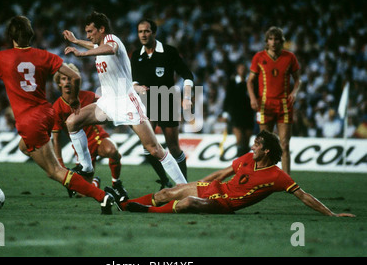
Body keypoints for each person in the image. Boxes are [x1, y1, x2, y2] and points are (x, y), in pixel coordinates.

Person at [0, 15, 116, 214]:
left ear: (10, 36)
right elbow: (75, 75)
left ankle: (102, 196)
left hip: (29, 121)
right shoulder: (43, 55)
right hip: (46, 113)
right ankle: (82, 180)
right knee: (24, 146)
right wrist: (74, 99)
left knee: (54, 171)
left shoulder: (1, 58)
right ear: (30, 35)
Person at [62, 12, 187, 200]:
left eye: (90, 31)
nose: (88, 35)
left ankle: (184, 187)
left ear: (102, 29)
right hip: (108, 102)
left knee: (154, 149)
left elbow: (109, 49)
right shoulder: (99, 43)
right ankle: (86, 168)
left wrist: (83, 53)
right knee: (72, 122)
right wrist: (77, 41)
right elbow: (95, 45)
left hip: (127, 102)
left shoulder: (113, 40)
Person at [111, 130, 355, 217]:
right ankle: (125, 205)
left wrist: (331, 213)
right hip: (217, 189)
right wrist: (200, 181)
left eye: (257, 145)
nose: (252, 147)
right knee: (167, 192)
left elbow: (303, 196)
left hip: (226, 204)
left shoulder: (278, 176)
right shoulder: (249, 158)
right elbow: (223, 172)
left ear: (266, 150)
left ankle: (146, 211)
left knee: (186, 202)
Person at [130, 19, 194, 188]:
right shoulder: (137, 55)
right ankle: (165, 181)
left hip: (166, 100)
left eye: (147, 31)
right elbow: (133, 80)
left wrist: (186, 98)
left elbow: (187, 75)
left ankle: (184, 185)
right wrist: (136, 87)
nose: (143, 35)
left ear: (154, 33)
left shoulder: (169, 52)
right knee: (148, 148)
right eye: (140, 32)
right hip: (146, 103)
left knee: (173, 147)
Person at [52, 63, 128, 200]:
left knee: (113, 152)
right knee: (83, 193)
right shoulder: (57, 108)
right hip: (81, 147)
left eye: (70, 78)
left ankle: (116, 184)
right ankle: (94, 182)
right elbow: (56, 140)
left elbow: (108, 104)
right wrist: (60, 164)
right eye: (63, 79)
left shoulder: (87, 96)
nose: (67, 82)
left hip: (96, 137)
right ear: (58, 82)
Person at [247, 27, 301, 174]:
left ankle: (287, 180)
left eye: (276, 39)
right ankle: (261, 176)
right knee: (263, 145)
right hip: (265, 105)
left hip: (284, 104)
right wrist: (253, 98)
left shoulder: (289, 57)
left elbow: (297, 80)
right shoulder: (259, 57)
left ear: (281, 41)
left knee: (285, 144)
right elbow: (250, 81)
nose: (273, 42)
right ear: (266, 41)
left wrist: (294, 92)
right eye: (270, 39)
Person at [223, 63, 255, 158]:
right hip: (236, 114)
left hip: (248, 113)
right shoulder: (232, 82)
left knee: (247, 139)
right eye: (241, 68)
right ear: (237, 70)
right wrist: (225, 113)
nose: (242, 70)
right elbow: (227, 98)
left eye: (244, 68)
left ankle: (246, 160)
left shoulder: (250, 83)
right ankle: (239, 160)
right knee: (239, 139)